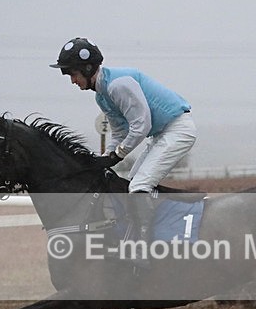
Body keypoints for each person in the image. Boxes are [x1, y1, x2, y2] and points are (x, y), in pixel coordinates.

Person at [50, 37, 197, 266]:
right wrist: (106, 157)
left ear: (87, 68)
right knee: (132, 185)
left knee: (139, 186)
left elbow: (141, 125)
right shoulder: (102, 96)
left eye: (73, 74)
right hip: (161, 134)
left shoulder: (118, 85)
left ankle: (145, 250)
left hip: (177, 130)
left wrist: (117, 155)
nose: (72, 81)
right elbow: (120, 131)